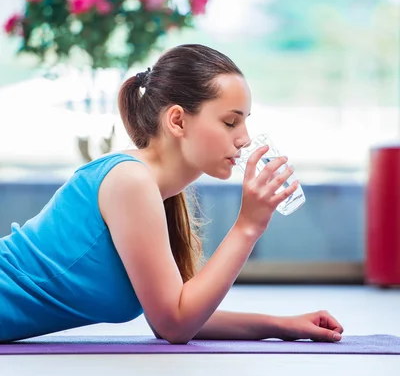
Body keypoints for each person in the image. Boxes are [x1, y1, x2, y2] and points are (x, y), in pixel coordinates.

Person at [0, 43, 344, 344]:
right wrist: (248, 225)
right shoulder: (130, 181)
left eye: (245, 122)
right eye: (230, 122)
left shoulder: (152, 190)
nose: (243, 137)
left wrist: (282, 326)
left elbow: (177, 312)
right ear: (177, 121)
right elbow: (175, 324)